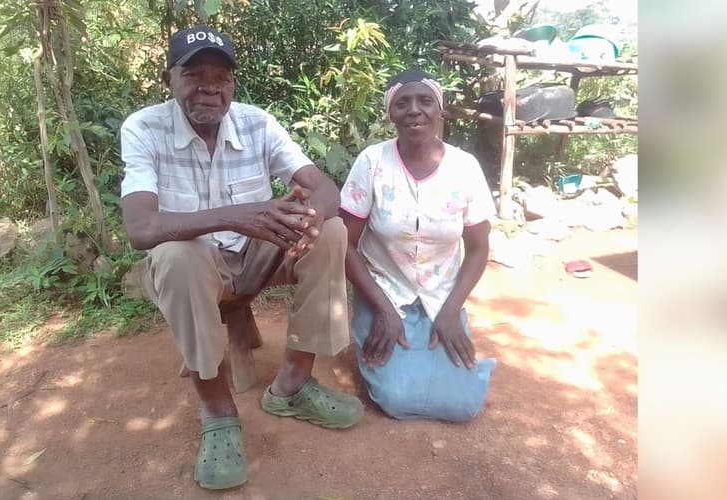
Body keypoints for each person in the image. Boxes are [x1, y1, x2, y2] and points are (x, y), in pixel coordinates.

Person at [119, 26, 363, 490]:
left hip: (258, 256)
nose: (210, 87)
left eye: (222, 77)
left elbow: (325, 188)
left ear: (233, 84)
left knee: (331, 230)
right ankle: (217, 411)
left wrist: (309, 217)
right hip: (196, 267)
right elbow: (141, 228)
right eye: (194, 74)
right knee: (176, 256)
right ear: (169, 78)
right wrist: (239, 215)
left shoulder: (258, 123)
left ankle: (292, 385)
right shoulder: (144, 127)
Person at [339, 69, 497, 422]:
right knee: (396, 398)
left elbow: (478, 249)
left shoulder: (465, 168)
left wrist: (451, 310)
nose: (414, 110)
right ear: (390, 113)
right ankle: (376, 335)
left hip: (442, 294)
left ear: (439, 110)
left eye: (425, 101)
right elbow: (344, 245)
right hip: (382, 290)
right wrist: (382, 309)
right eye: (402, 103)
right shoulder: (372, 163)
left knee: (463, 405)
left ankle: (433, 348)